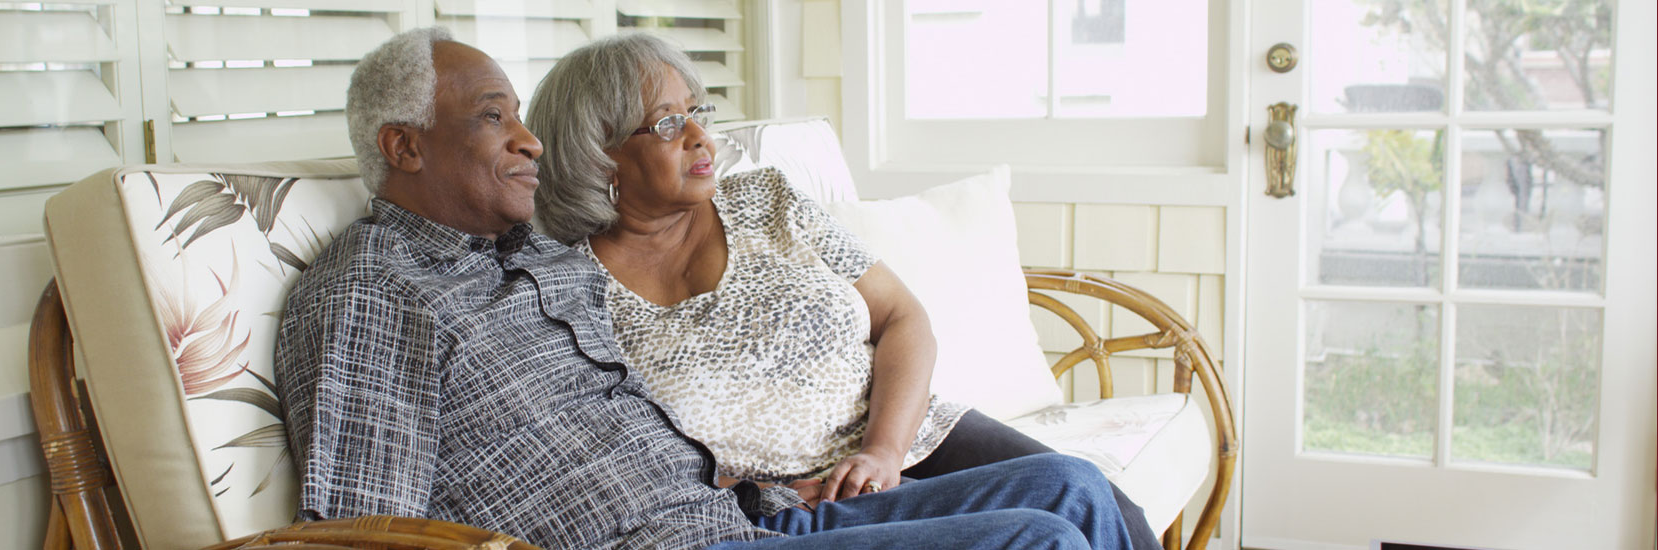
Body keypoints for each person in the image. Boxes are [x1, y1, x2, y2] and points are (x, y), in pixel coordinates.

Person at [276, 27, 1137, 550]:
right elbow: (365, 527)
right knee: (1040, 540)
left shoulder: (528, 257)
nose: (529, 142)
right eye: (495, 115)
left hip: (746, 515)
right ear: (404, 148)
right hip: (659, 545)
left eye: (524, 119)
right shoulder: (372, 289)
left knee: (1073, 490)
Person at [526, 33, 1162, 550]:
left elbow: (903, 317)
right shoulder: (572, 291)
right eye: (668, 123)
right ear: (599, 154)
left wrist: (884, 450)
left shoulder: (765, 199)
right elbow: (618, 444)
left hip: (909, 435)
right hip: (795, 506)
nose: (699, 136)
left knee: (1097, 501)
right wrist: (756, 492)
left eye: (699, 111)